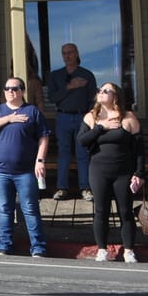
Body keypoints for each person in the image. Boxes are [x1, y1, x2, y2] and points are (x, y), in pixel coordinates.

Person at [0, 78, 49, 257]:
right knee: (4, 208)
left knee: (30, 208)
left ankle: (38, 247)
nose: (11, 91)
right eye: (7, 88)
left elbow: (43, 136)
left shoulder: (32, 111)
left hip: (26, 170)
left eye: (15, 88)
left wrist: (40, 160)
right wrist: (9, 118)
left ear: (22, 91)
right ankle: (5, 246)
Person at [78, 81, 143, 263]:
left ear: (115, 96)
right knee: (101, 210)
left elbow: (139, 150)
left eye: (106, 91)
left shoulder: (127, 117)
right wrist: (101, 127)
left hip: (123, 171)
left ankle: (129, 250)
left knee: (125, 211)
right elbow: (82, 141)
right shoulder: (92, 117)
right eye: (100, 90)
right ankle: (102, 249)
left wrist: (139, 173)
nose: (101, 93)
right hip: (99, 170)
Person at [47, 42, 96, 201]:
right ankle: (62, 188)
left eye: (70, 52)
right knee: (64, 153)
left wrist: (90, 116)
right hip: (63, 117)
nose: (67, 56)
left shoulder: (86, 75)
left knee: (83, 153)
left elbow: (93, 99)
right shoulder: (56, 75)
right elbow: (53, 98)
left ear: (76, 53)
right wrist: (70, 86)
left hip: (82, 117)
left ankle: (85, 188)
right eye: (64, 53)